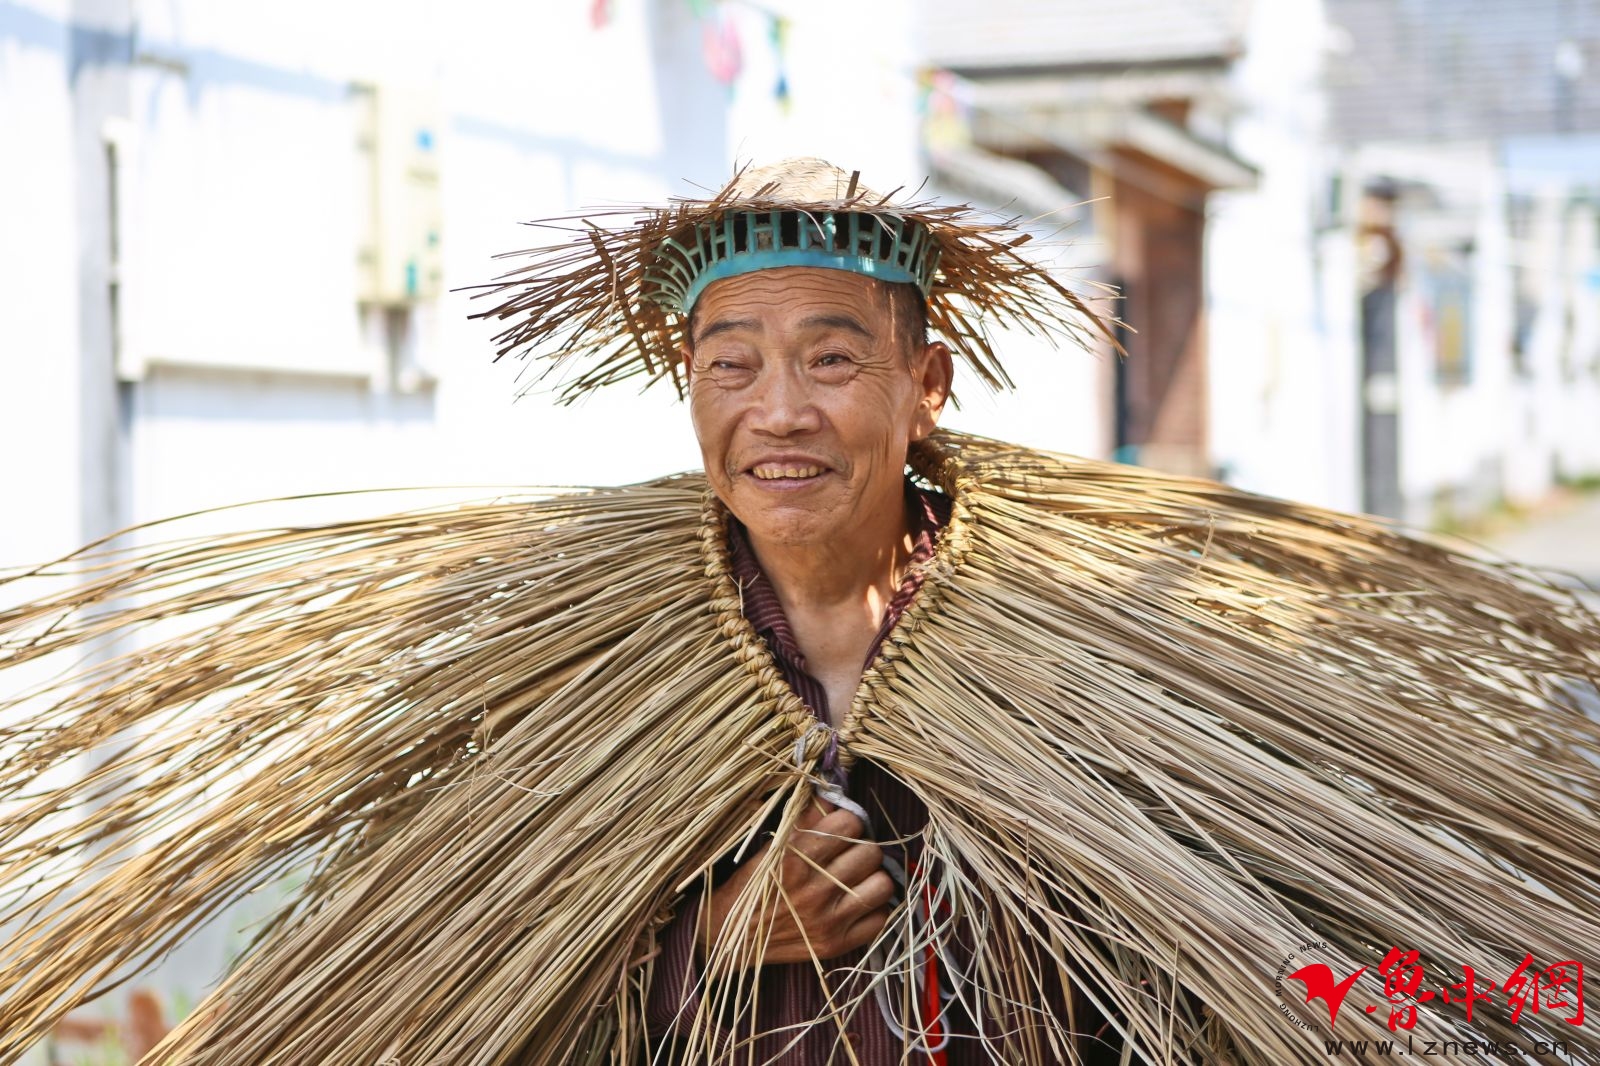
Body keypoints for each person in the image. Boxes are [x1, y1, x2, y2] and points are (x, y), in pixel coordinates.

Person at [3, 158, 1599, 1065]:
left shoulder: (1102, 650)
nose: (779, 409)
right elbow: (465, 1001)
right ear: (685, 387)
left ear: (925, 385)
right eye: (730, 362)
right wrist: (711, 936)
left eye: (833, 358)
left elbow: (1301, 964)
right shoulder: (571, 686)